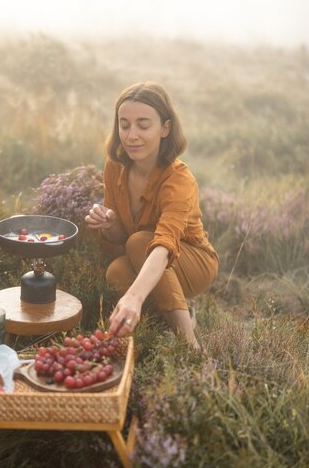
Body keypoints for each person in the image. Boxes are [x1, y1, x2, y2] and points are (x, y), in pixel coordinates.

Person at [85, 82, 218, 349]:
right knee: (117, 272)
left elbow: (163, 244)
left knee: (140, 243)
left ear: (165, 128)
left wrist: (134, 297)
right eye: (124, 125)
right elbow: (121, 237)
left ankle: (191, 347)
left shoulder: (179, 179)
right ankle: (160, 325)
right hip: (145, 251)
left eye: (143, 126)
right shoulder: (115, 167)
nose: (131, 135)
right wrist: (110, 223)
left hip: (192, 260)